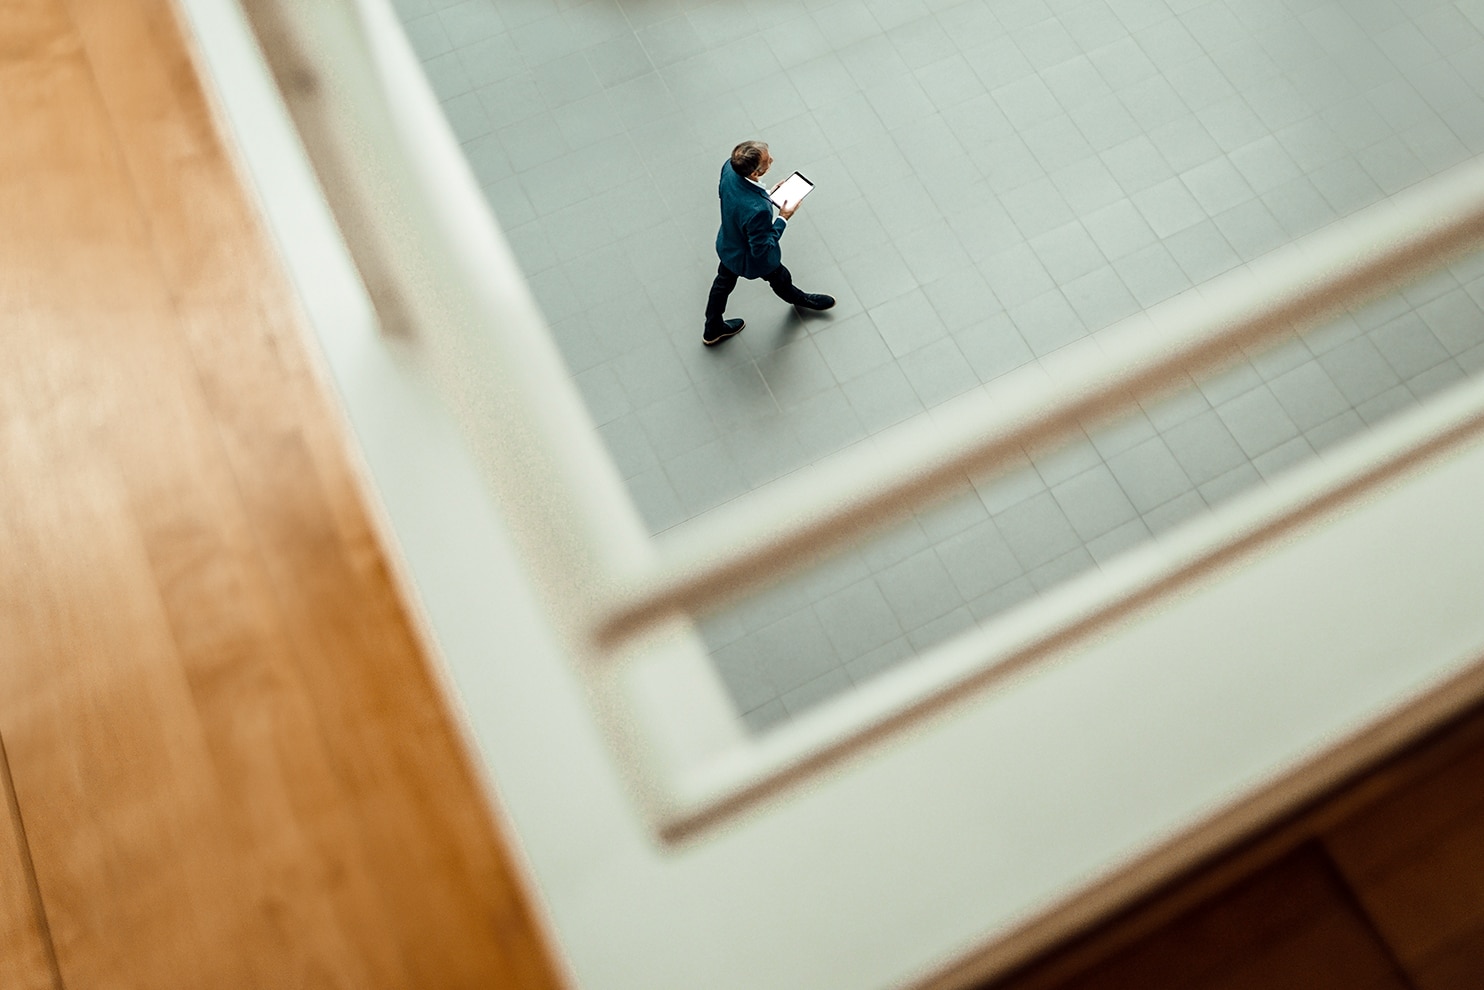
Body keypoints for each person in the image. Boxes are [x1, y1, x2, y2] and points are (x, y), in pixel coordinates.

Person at [703, 140, 835, 346]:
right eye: (767, 161)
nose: (772, 159)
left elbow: (735, 199)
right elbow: (762, 248)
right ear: (755, 173)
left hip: (729, 245)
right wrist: (783, 217)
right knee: (780, 278)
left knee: (722, 285)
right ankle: (800, 300)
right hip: (750, 259)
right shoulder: (759, 210)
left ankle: (712, 328)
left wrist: (766, 194)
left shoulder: (728, 168)